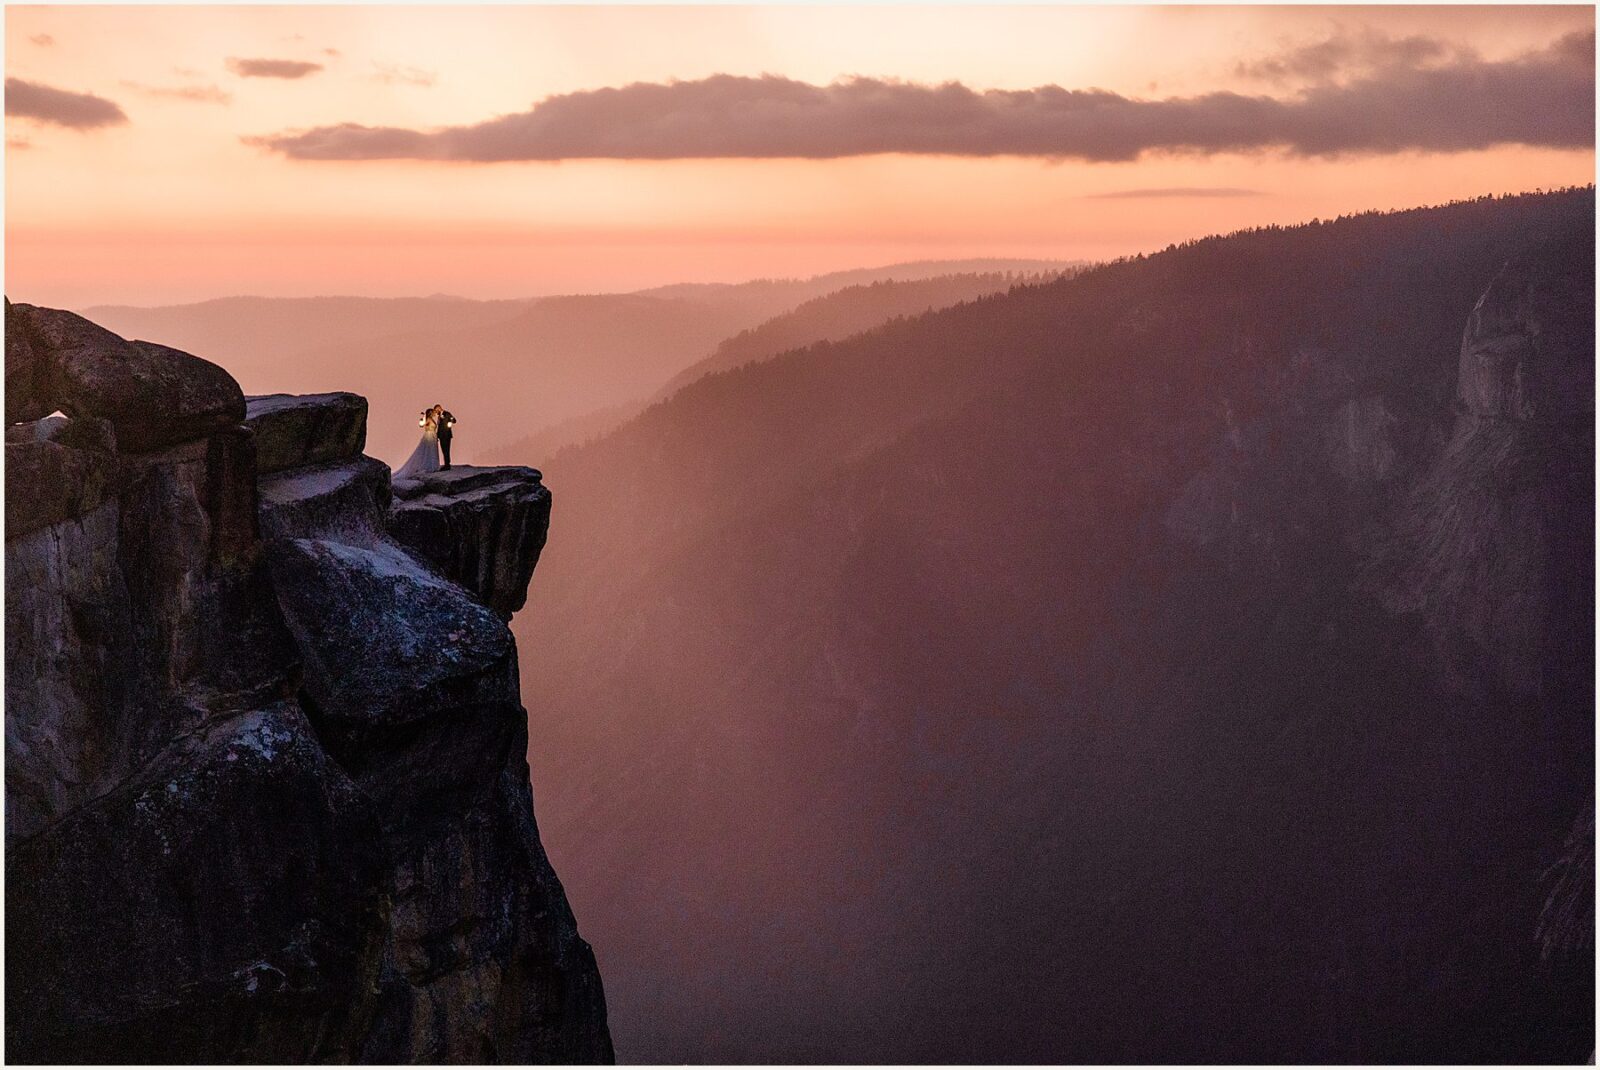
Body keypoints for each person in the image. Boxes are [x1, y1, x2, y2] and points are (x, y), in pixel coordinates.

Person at [394, 405, 442, 480]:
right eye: (433, 412)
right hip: (429, 435)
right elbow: (422, 425)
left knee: (432, 450)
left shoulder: (432, 419)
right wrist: (423, 420)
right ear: (430, 413)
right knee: (428, 450)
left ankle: (433, 465)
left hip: (433, 436)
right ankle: (429, 466)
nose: (434, 414)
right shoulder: (428, 419)